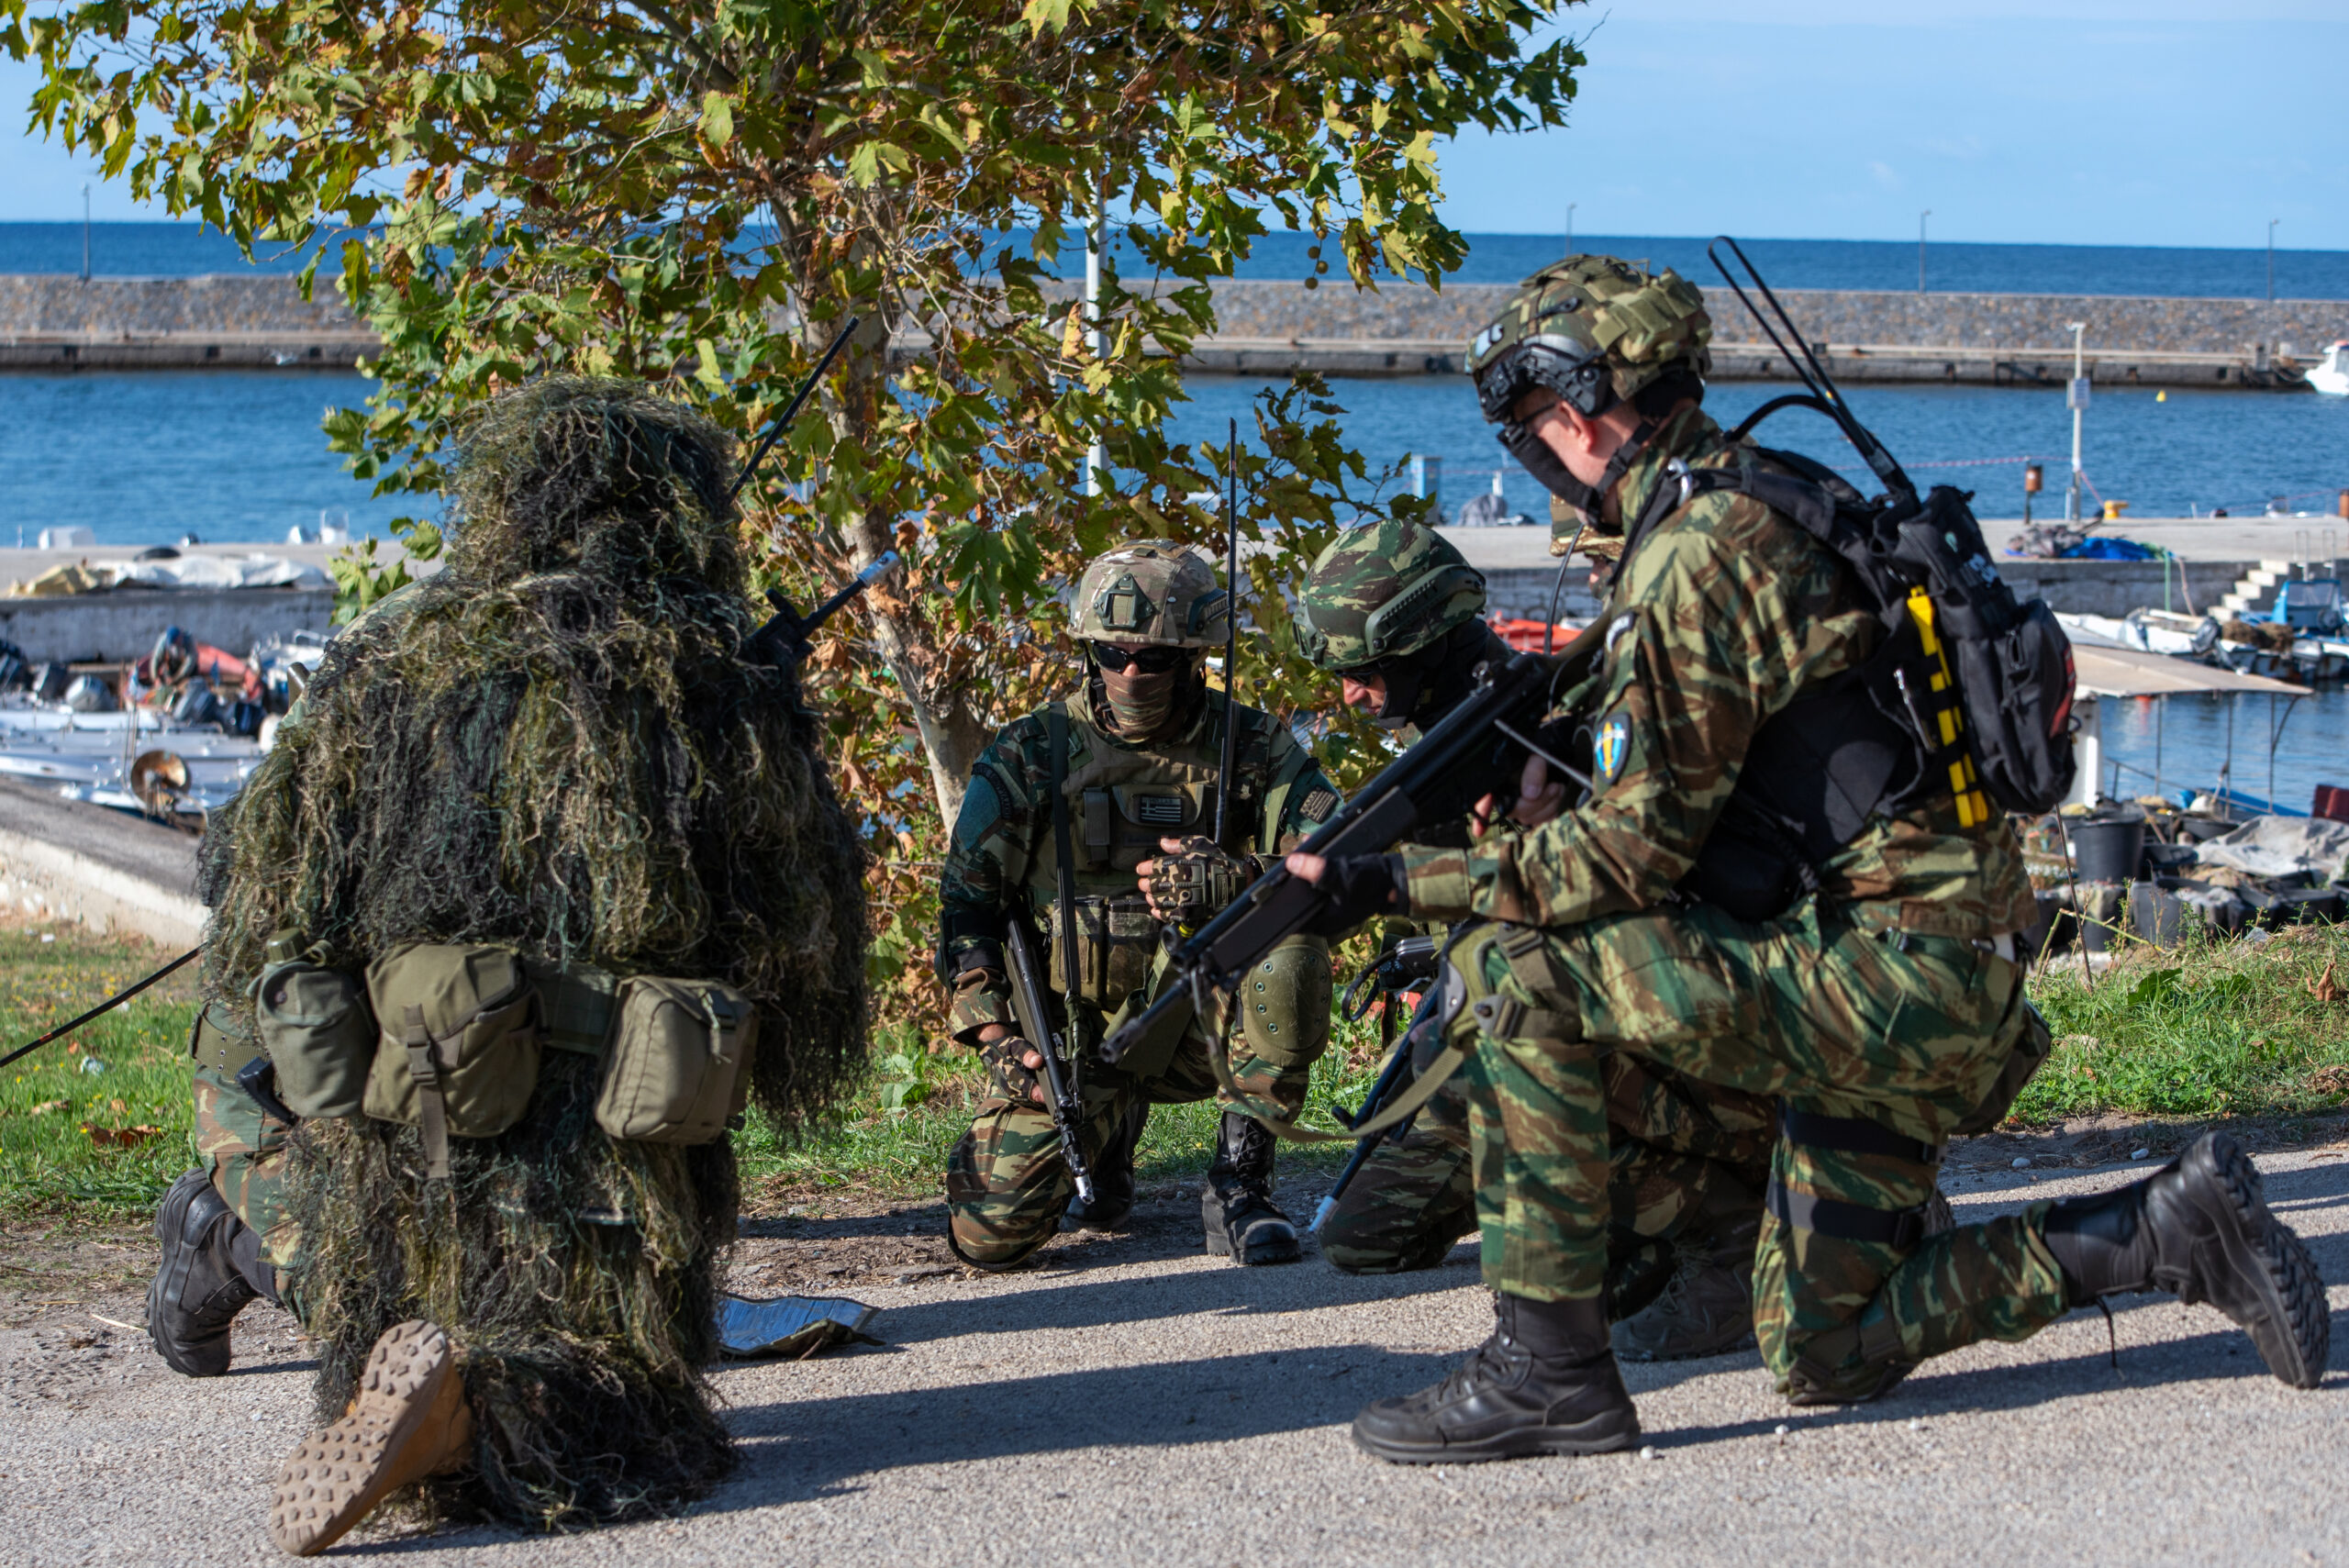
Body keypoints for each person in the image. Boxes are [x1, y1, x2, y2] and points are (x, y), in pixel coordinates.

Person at [1292, 254, 2329, 1464]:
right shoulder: (1771, 493)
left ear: (1575, 413)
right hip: (1936, 967)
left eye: (1533, 426)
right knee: (1823, 1351)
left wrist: (1387, 885)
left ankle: (1547, 1371)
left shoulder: (1695, 551)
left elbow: (1629, 854)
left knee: (1532, 970)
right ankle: (2168, 1225)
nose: (1542, 453)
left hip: (1887, 978)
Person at [182, 377, 870, 1552]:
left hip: (413, 1114)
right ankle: (471, 1412)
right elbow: (810, 950)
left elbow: (256, 895)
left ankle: (392, 1357)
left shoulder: (392, 659)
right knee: (615, 1404)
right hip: (625, 1142)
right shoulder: (713, 689)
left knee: (390, 1265)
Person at [1294, 515, 1776, 1362]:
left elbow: (1626, 880)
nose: (1349, 696)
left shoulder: (1581, 717)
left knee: (1587, 1253)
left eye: (1364, 674)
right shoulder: (1463, 737)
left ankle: (1746, 1222)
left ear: (1417, 644)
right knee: (1365, 1238)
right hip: (1569, 1016)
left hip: (1679, 1024)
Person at [939, 539, 1343, 1268]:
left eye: (1153, 658)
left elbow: (1336, 856)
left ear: (1194, 658)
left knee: (1290, 948)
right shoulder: (1031, 753)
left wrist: (1242, 873)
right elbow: (968, 906)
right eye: (1111, 652)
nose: (1130, 672)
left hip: (1204, 1030)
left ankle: (1241, 1184)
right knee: (989, 1235)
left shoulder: (1252, 745)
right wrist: (996, 1037)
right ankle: (1105, 1135)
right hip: (1072, 1038)